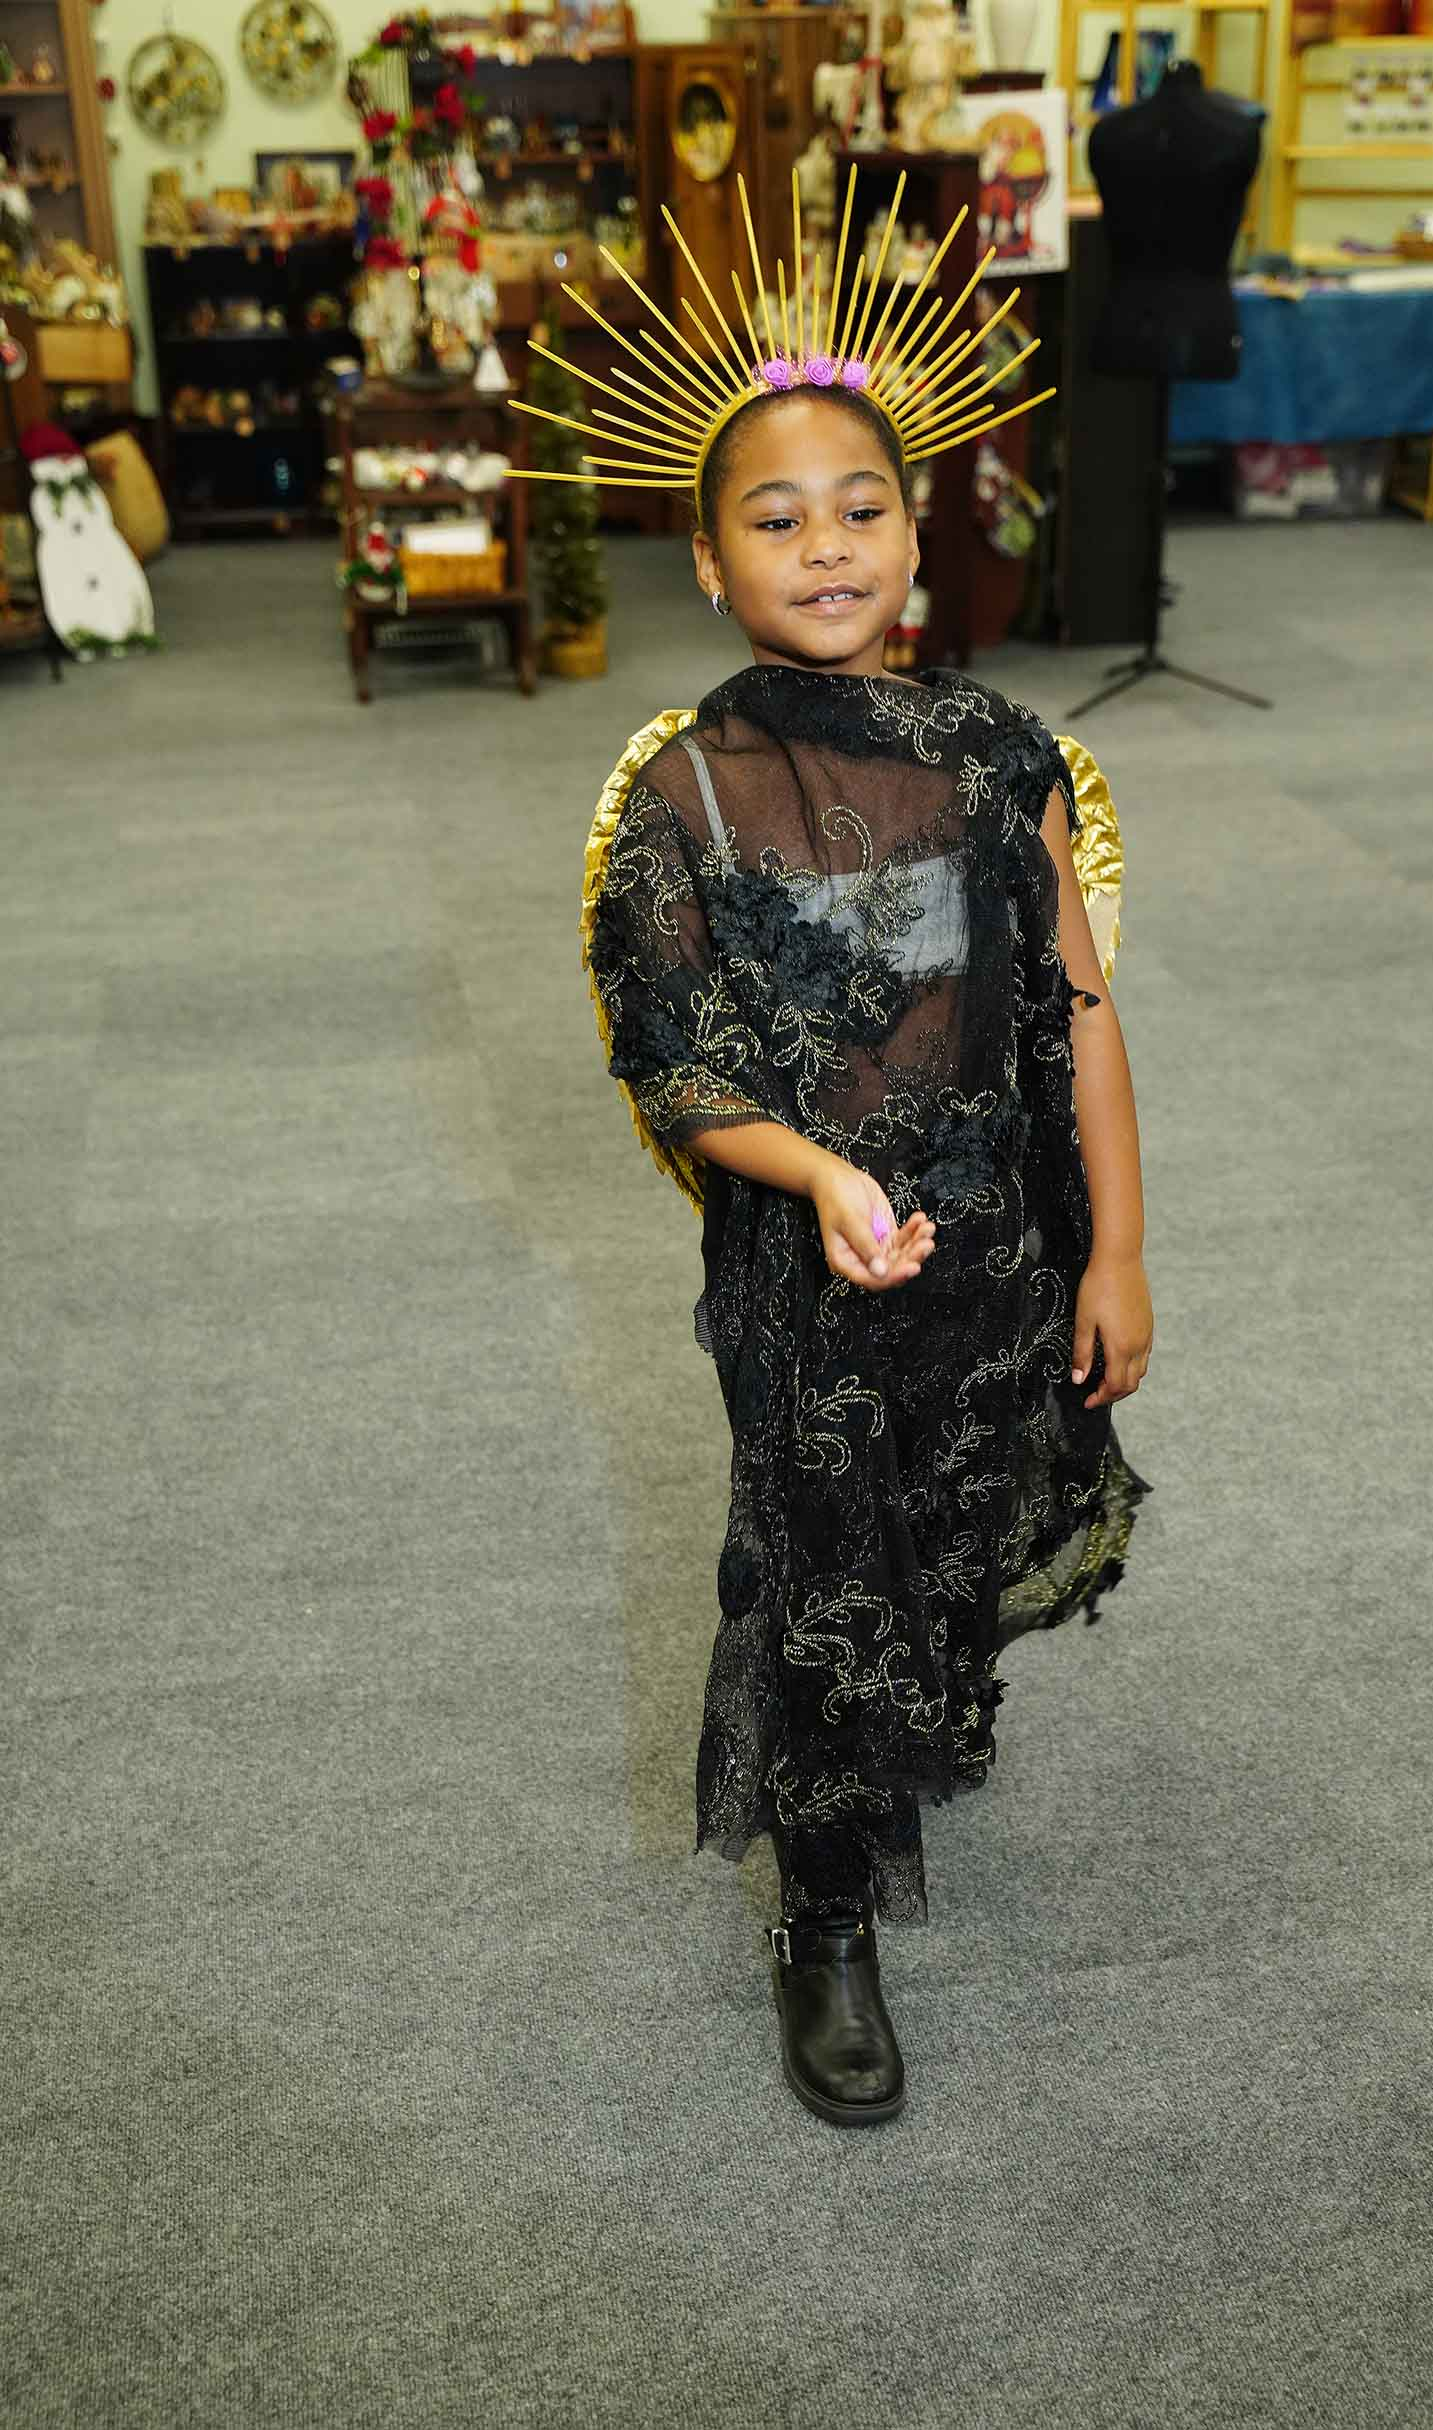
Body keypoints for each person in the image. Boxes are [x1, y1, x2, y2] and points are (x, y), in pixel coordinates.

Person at [521, 167, 1155, 2129]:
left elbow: (1079, 1016)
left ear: (918, 529)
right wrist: (813, 1177)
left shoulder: (1004, 756)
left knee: (943, 1521)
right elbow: (681, 1055)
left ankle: (911, 1721)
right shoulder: (688, 792)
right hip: (809, 1258)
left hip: (990, 1239)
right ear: (711, 562)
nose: (826, 544)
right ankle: (824, 1911)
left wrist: (1120, 1249)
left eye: (862, 506)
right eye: (777, 517)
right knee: (816, 1562)